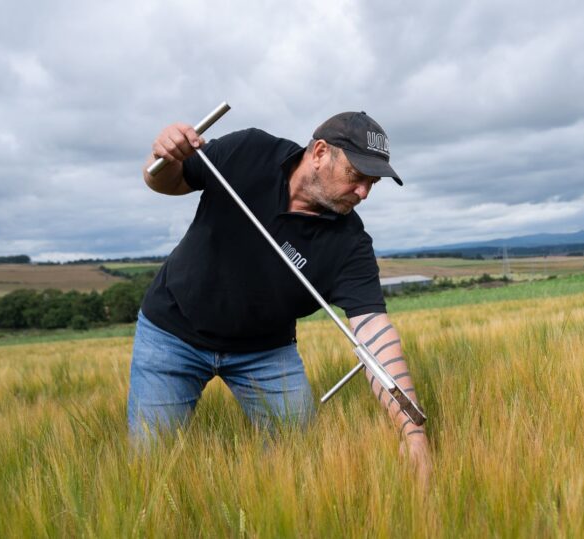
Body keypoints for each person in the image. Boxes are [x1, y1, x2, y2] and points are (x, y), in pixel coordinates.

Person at [128, 111, 431, 484]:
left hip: (266, 353)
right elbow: (165, 181)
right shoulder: (249, 151)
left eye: (373, 183)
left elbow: (374, 333)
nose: (364, 192)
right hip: (172, 333)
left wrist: (412, 430)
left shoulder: (350, 243)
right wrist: (165, 157)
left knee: (298, 464)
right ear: (319, 153)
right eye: (357, 176)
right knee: (149, 468)